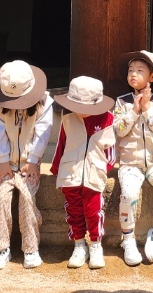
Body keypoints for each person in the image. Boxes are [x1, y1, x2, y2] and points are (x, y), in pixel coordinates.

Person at [0, 60, 53, 270]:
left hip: (29, 162)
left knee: (26, 197)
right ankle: (2, 248)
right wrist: (3, 161)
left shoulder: (45, 101)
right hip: (4, 161)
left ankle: (31, 248)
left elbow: (42, 134)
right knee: (0, 197)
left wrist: (33, 161)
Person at [113, 50, 153, 266]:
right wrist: (134, 111)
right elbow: (119, 130)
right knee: (129, 193)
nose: (133, 74)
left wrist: (147, 108)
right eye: (131, 70)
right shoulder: (122, 102)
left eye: (140, 71)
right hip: (131, 163)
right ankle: (127, 239)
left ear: (152, 77)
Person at [50, 76, 116, 270]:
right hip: (70, 171)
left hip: (94, 173)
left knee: (93, 210)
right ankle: (79, 244)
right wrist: (56, 168)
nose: (80, 110)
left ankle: (96, 244)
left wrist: (105, 168)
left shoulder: (107, 119)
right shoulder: (68, 118)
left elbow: (110, 150)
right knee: (74, 210)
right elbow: (61, 145)